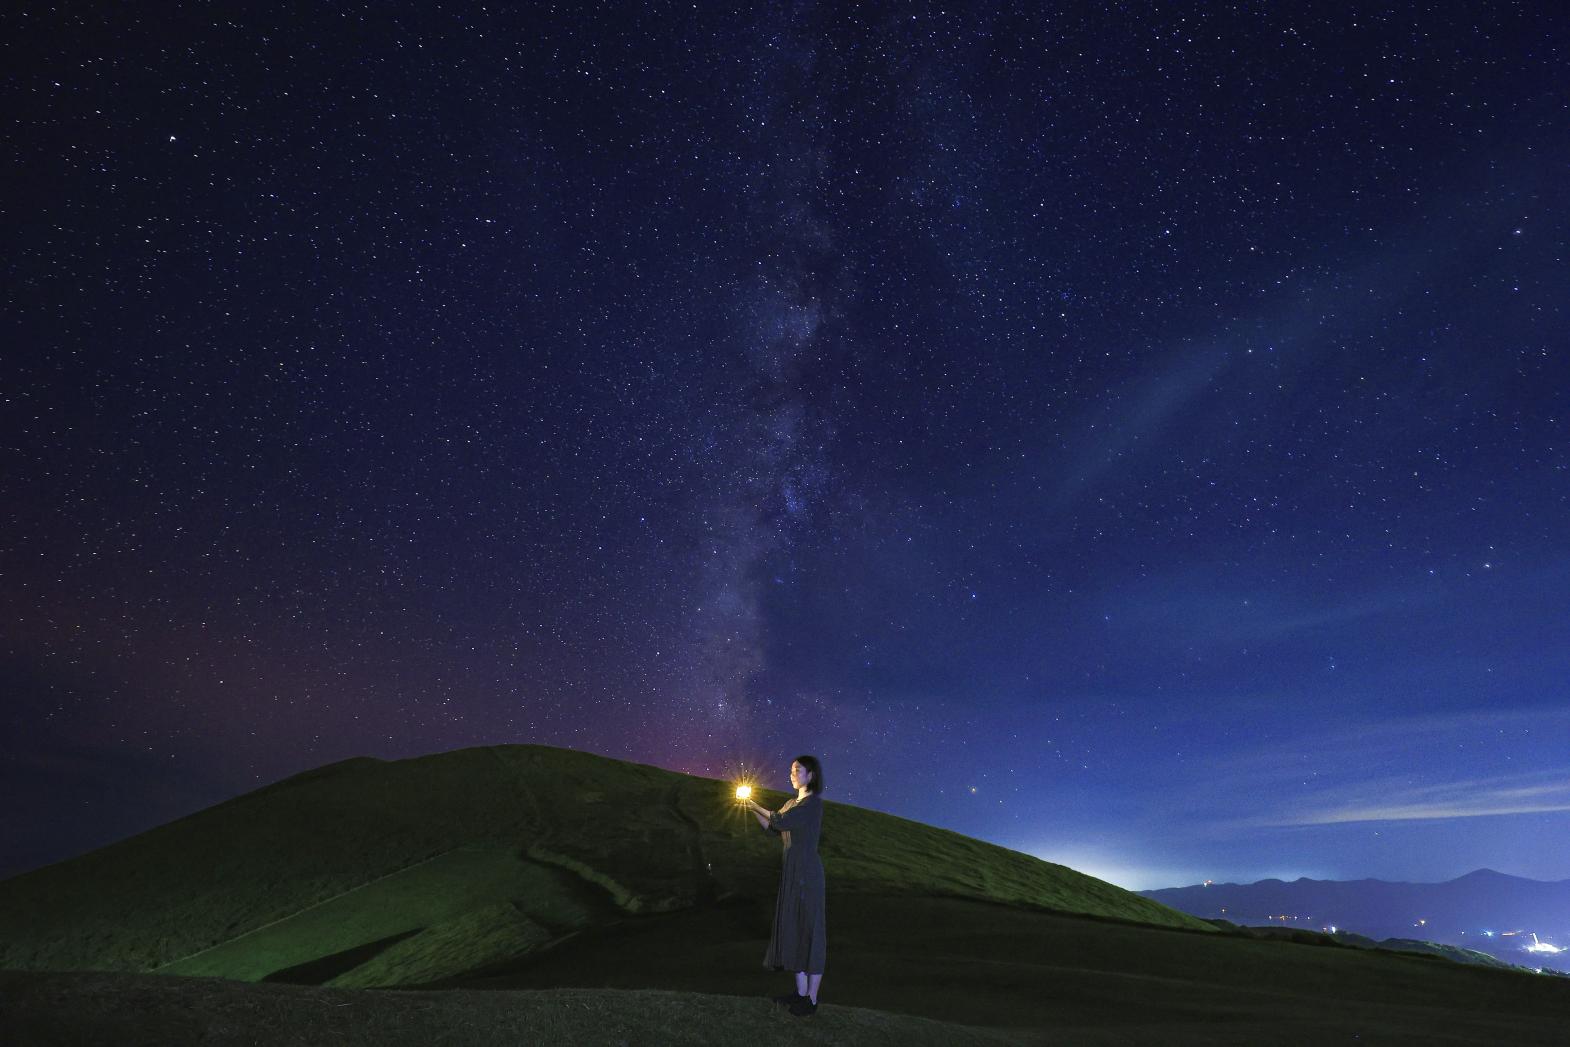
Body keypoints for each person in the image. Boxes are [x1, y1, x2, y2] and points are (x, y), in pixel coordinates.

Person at [743, 755, 827, 1017]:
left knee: (811, 932)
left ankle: (811, 1000)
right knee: (794, 929)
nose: (792, 773)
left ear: (810, 775)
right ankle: (799, 994)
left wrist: (756, 804)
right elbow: (772, 827)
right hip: (792, 873)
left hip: (808, 874)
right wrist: (751, 808)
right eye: (791, 770)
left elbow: (780, 820)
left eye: (797, 770)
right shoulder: (791, 803)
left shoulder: (812, 805)